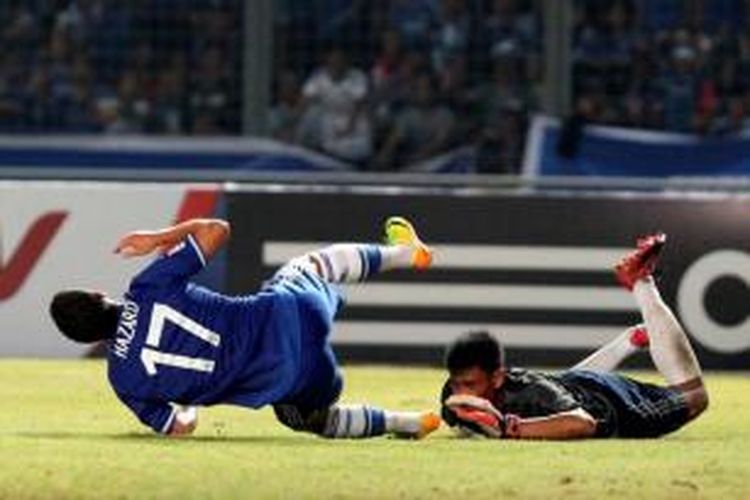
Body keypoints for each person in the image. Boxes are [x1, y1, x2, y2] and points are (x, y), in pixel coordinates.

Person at [50, 216, 440, 439]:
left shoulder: (124, 381)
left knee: (303, 419)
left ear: (89, 340)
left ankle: (404, 423)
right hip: (295, 313)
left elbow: (180, 428)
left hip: (297, 381)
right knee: (310, 267)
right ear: (98, 294)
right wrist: (159, 238)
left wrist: (186, 397)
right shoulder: (146, 289)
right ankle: (405, 254)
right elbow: (217, 229)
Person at [440, 232, 709, 439]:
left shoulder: (531, 392)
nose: (462, 392)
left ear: (497, 377)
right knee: (560, 386)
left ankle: (642, 281)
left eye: (471, 384)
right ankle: (632, 340)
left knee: (695, 398)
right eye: (456, 384)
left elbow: (583, 423)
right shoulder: (452, 399)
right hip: (571, 384)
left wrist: (508, 428)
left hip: (614, 404)